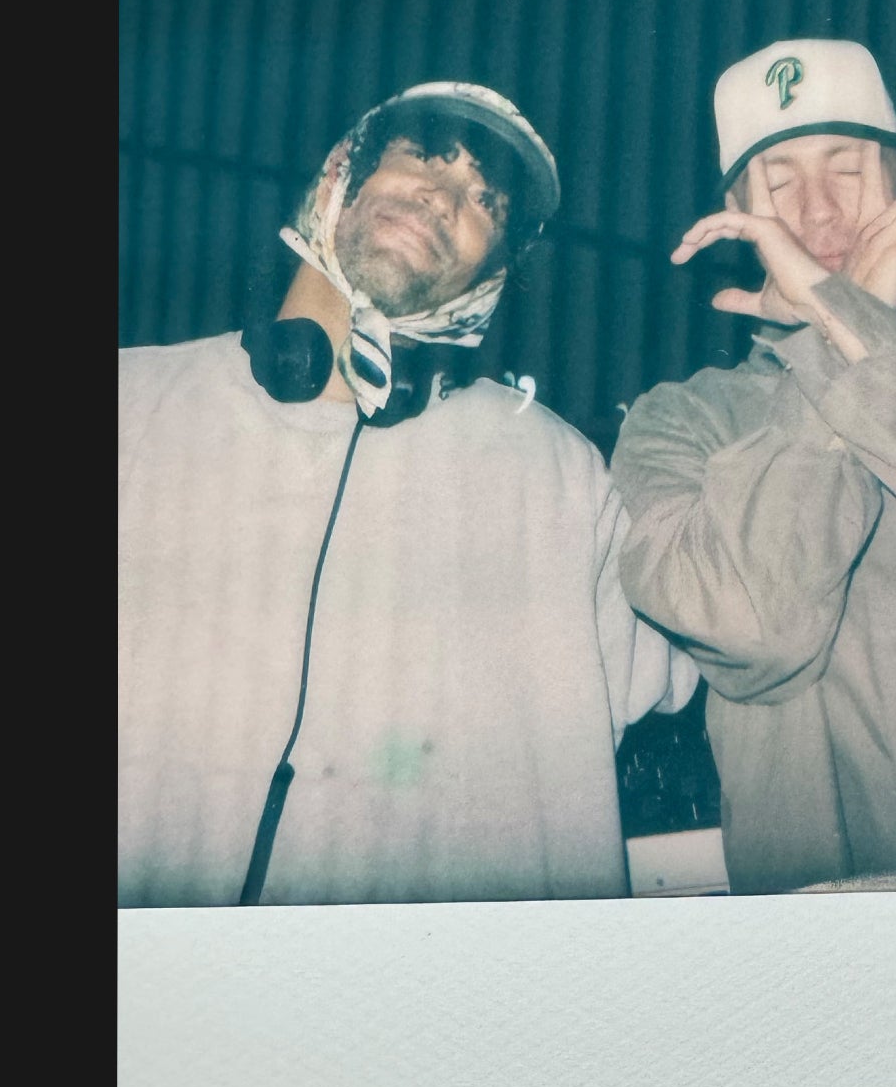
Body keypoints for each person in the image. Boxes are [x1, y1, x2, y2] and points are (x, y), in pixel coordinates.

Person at [119, 81, 697, 908]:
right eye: (423, 158)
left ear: (495, 275)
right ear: (337, 177)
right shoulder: (134, 403)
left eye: (485, 200)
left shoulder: (563, 479)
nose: (444, 196)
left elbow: (715, 652)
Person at [610, 38, 896, 894]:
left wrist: (874, 344)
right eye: (779, 183)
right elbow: (750, 628)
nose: (819, 213)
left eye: (848, 169)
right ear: (737, 214)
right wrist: (842, 332)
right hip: (828, 925)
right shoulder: (678, 420)